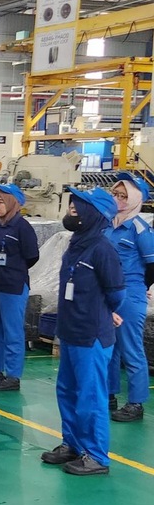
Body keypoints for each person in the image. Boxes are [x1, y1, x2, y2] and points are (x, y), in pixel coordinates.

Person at [42, 187, 124, 476]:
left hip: (91, 335)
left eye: (79, 205)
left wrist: (101, 312)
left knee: (91, 396)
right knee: (67, 391)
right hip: (70, 331)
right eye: (72, 203)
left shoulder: (102, 249)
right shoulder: (76, 244)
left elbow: (117, 294)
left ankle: (97, 456)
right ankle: (73, 444)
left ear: (95, 213)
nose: (72, 208)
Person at [0, 183, 39, 392]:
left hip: (13, 287)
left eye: (0, 202)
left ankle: (13, 375)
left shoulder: (22, 227)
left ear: (12, 203)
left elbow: (32, 256)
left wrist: (13, 270)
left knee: (12, 332)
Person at [106, 173, 154, 422]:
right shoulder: (108, 224)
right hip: (108, 294)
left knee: (131, 349)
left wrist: (141, 287)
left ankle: (136, 403)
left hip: (130, 295)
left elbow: (152, 264)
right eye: (115, 194)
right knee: (109, 347)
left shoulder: (139, 229)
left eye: (123, 196)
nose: (117, 199)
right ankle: (109, 394)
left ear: (135, 199)